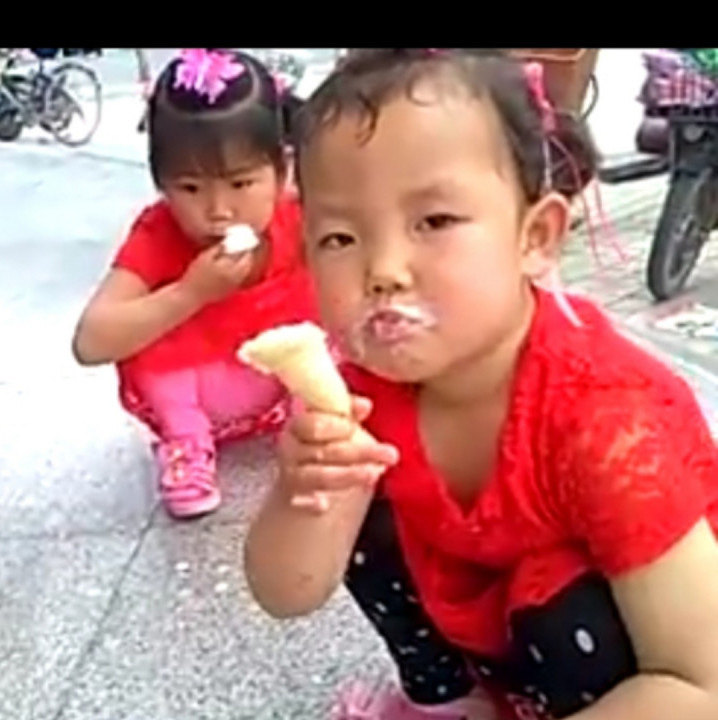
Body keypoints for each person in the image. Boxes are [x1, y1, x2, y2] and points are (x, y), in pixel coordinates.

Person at [244, 49, 718, 719]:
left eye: (434, 222)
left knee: (569, 608)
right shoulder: (365, 394)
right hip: (493, 619)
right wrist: (304, 491)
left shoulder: (605, 421)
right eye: (340, 238)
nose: (383, 271)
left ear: (535, 237)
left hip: (644, 657)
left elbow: (701, 682)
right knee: (361, 498)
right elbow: (286, 592)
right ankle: (453, 700)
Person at [72, 48, 316, 519]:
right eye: (189, 188)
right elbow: (90, 342)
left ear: (281, 170)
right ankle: (186, 446)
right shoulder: (158, 234)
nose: (218, 210)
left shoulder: (298, 212)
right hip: (200, 397)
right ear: (160, 182)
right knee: (147, 332)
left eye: (241, 184)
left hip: (279, 392)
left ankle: (320, 422)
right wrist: (189, 293)